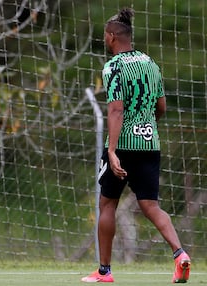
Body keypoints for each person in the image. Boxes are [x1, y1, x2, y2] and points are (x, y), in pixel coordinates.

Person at [81, 8, 191, 283]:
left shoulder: (114, 66)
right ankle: (179, 254)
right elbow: (161, 106)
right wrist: (147, 125)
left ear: (111, 37)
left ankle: (104, 271)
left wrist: (113, 150)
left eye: (105, 38)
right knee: (151, 206)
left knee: (107, 204)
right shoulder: (151, 64)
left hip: (124, 146)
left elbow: (116, 110)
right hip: (150, 142)